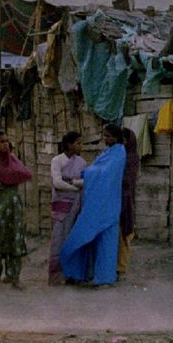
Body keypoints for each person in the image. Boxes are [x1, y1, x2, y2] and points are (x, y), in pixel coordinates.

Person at [60, 123, 126, 287]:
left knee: (106, 243)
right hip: (98, 204)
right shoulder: (108, 152)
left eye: (109, 136)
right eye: (104, 135)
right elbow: (98, 169)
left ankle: (104, 278)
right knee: (88, 240)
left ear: (116, 137)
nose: (105, 139)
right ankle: (81, 274)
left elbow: (106, 173)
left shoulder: (119, 153)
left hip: (108, 204)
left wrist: (87, 173)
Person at [0, 130, 32, 290]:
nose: (5, 144)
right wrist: (9, 181)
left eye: (6, 141)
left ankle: (13, 277)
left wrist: (9, 181)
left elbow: (24, 173)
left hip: (13, 207)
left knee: (14, 239)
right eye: (1, 142)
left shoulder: (13, 160)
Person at [48, 130, 86, 285]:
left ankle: (72, 274)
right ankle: (57, 276)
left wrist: (72, 183)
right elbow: (57, 182)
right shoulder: (57, 161)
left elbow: (85, 180)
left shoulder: (82, 162)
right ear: (70, 145)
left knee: (73, 237)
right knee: (59, 238)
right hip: (61, 206)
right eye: (78, 143)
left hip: (77, 204)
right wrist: (74, 186)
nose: (80, 146)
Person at [117, 127, 139, 278]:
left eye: (123, 141)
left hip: (126, 199)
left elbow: (126, 180)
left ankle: (121, 268)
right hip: (120, 198)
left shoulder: (131, 157)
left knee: (125, 233)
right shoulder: (121, 156)